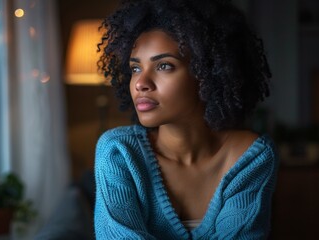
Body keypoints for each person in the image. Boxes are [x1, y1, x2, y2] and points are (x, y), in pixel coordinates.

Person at [94, 0, 279, 239]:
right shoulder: (119, 153)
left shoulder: (250, 157)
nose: (141, 83)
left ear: (208, 74)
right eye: (136, 68)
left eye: (164, 66)